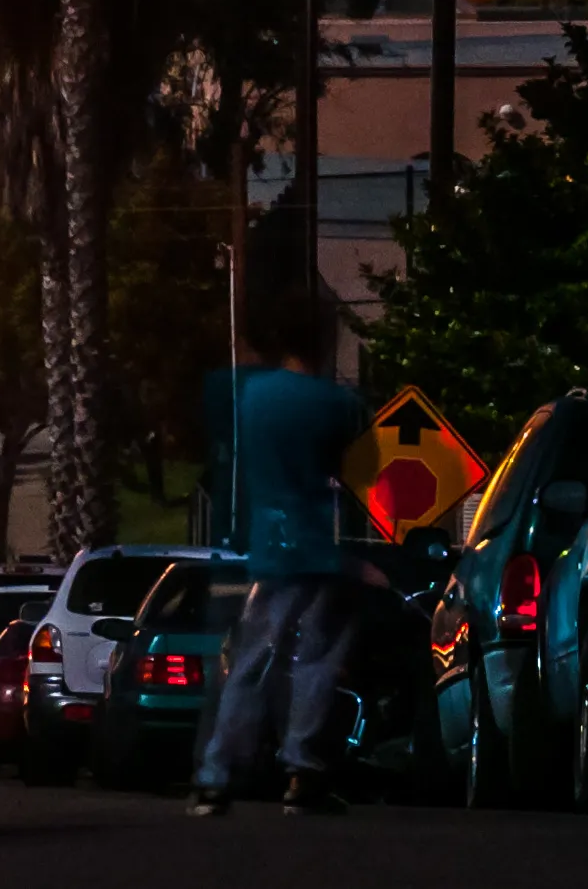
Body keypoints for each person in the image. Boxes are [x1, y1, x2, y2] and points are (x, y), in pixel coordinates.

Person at [190, 316, 372, 817]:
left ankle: (217, 774)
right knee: (317, 660)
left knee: (251, 662)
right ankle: (301, 769)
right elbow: (364, 470)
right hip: (316, 544)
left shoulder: (248, 395)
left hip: (269, 545)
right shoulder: (336, 404)